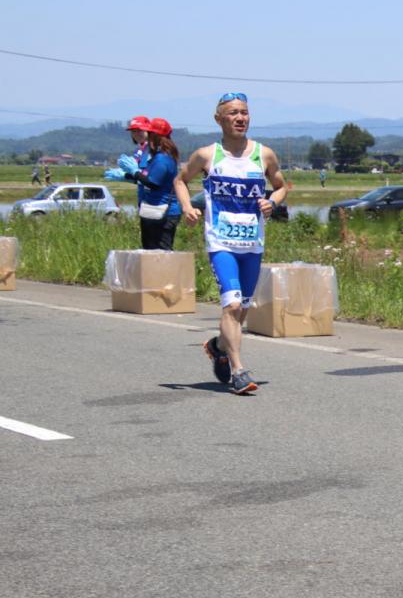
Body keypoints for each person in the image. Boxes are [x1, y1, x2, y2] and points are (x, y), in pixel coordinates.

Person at [175, 93, 288, 395]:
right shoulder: (207, 155)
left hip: (252, 244)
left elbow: (281, 186)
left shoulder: (264, 154)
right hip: (220, 243)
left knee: (242, 313)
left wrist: (273, 202)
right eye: (233, 113)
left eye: (244, 113)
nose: (240, 118)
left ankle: (217, 347)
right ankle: (239, 371)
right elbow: (180, 180)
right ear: (219, 119)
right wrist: (187, 207)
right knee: (232, 305)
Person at [111, 119, 181, 249]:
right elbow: (148, 178)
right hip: (153, 209)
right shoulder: (159, 156)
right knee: (150, 249)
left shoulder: (162, 159)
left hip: (163, 211)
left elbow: (153, 183)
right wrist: (127, 176)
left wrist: (134, 172)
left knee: (161, 251)